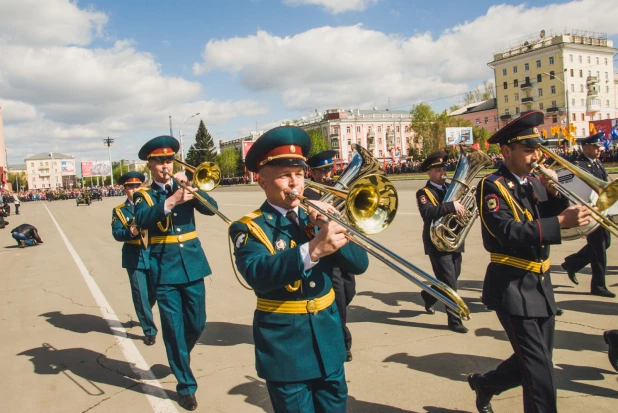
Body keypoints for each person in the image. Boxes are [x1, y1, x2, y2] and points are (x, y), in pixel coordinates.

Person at [229, 126, 369, 413]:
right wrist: (314, 248)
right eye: (284, 175)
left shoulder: (317, 214)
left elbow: (360, 264)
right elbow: (258, 274)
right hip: (287, 350)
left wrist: (335, 223)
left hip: (329, 342)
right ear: (263, 181)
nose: (296, 183)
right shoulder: (249, 226)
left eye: (300, 174)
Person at [467, 111, 591, 413]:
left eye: (538, 148)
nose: (536, 156)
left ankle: (488, 384)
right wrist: (560, 220)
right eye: (528, 149)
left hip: (541, 286)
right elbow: (507, 231)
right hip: (512, 287)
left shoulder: (536, 182)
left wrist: (559, 196)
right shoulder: (492, 185)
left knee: (535, 363)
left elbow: (566, 209)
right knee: (540, 375)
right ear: (506, 151)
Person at [133, 136, 219, 411]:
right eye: (159, 162)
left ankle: (179, 356)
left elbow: (212, 210)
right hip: (165, 269)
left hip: (193, 265)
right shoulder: (144, 195)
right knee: (173, 330)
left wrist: (193, 188)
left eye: (169, 160)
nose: (165, 166)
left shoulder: (185, 187)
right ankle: (186, 385)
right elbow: (142, 220)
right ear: (149, 165)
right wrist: (170, 201)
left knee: (197, 324)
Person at [305, 149, 357, 361]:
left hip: (345, 248)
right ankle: (343, 344)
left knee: (349, 292)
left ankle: (332, 327)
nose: (328, 173)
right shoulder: (309, 193)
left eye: (330, 168)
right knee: (339, 300)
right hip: (328, 254)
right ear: (314, 173)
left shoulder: (339, 188)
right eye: (323, 171)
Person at [416, 151, 468, 333]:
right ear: (429, 173)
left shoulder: (451, 188)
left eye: (444, 169)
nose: (442, 172)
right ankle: (454, 319)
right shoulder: (424, 193)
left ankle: (429, 295)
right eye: (438, 170)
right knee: (450, 281)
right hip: (436, 241)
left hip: (453, 239)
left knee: (453, 275)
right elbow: (427, 213)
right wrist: (449, 206)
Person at [561, 132, 615, 298]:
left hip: (602, 209)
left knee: (605, 243)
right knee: (599, 247)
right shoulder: (579, 165)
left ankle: (573, 263)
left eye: (599, 147)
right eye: (595, 147)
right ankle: (598, 285)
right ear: (585, 147)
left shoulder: (597, 164)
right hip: (590, 211)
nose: (599, 150)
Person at [112, 172, 157, 346]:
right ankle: (149, 330)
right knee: (140, 294)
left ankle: (145, 313)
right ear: (124, 190)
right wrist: (130, 232)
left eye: (137, 186)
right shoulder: (119, 211)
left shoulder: (151, 204)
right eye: (130, 187)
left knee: (152, 294)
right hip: (134, 256)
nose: (134, 190)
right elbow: (117, 233)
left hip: (154, 253)